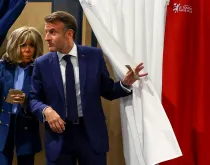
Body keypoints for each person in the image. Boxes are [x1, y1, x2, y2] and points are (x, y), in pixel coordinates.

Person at [30, 11, 147, 165]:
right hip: (59, 137)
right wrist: (46, 110)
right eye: (46, 32)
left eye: (52, 32)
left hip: (91, 135)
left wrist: (124, 83)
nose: (47, 38)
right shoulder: (41, 63)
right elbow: (33, 99)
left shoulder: (94, 56)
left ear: (69, 34)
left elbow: (108, 91)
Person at [0, 26, 43, 165]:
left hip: (27, 123)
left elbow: (45, 98)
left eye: (32, 45)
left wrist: (26, 100)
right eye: (23, 45)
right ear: (14, 45)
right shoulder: (3, 67)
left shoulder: (40, 69)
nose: (27, 49)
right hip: (3, 123)